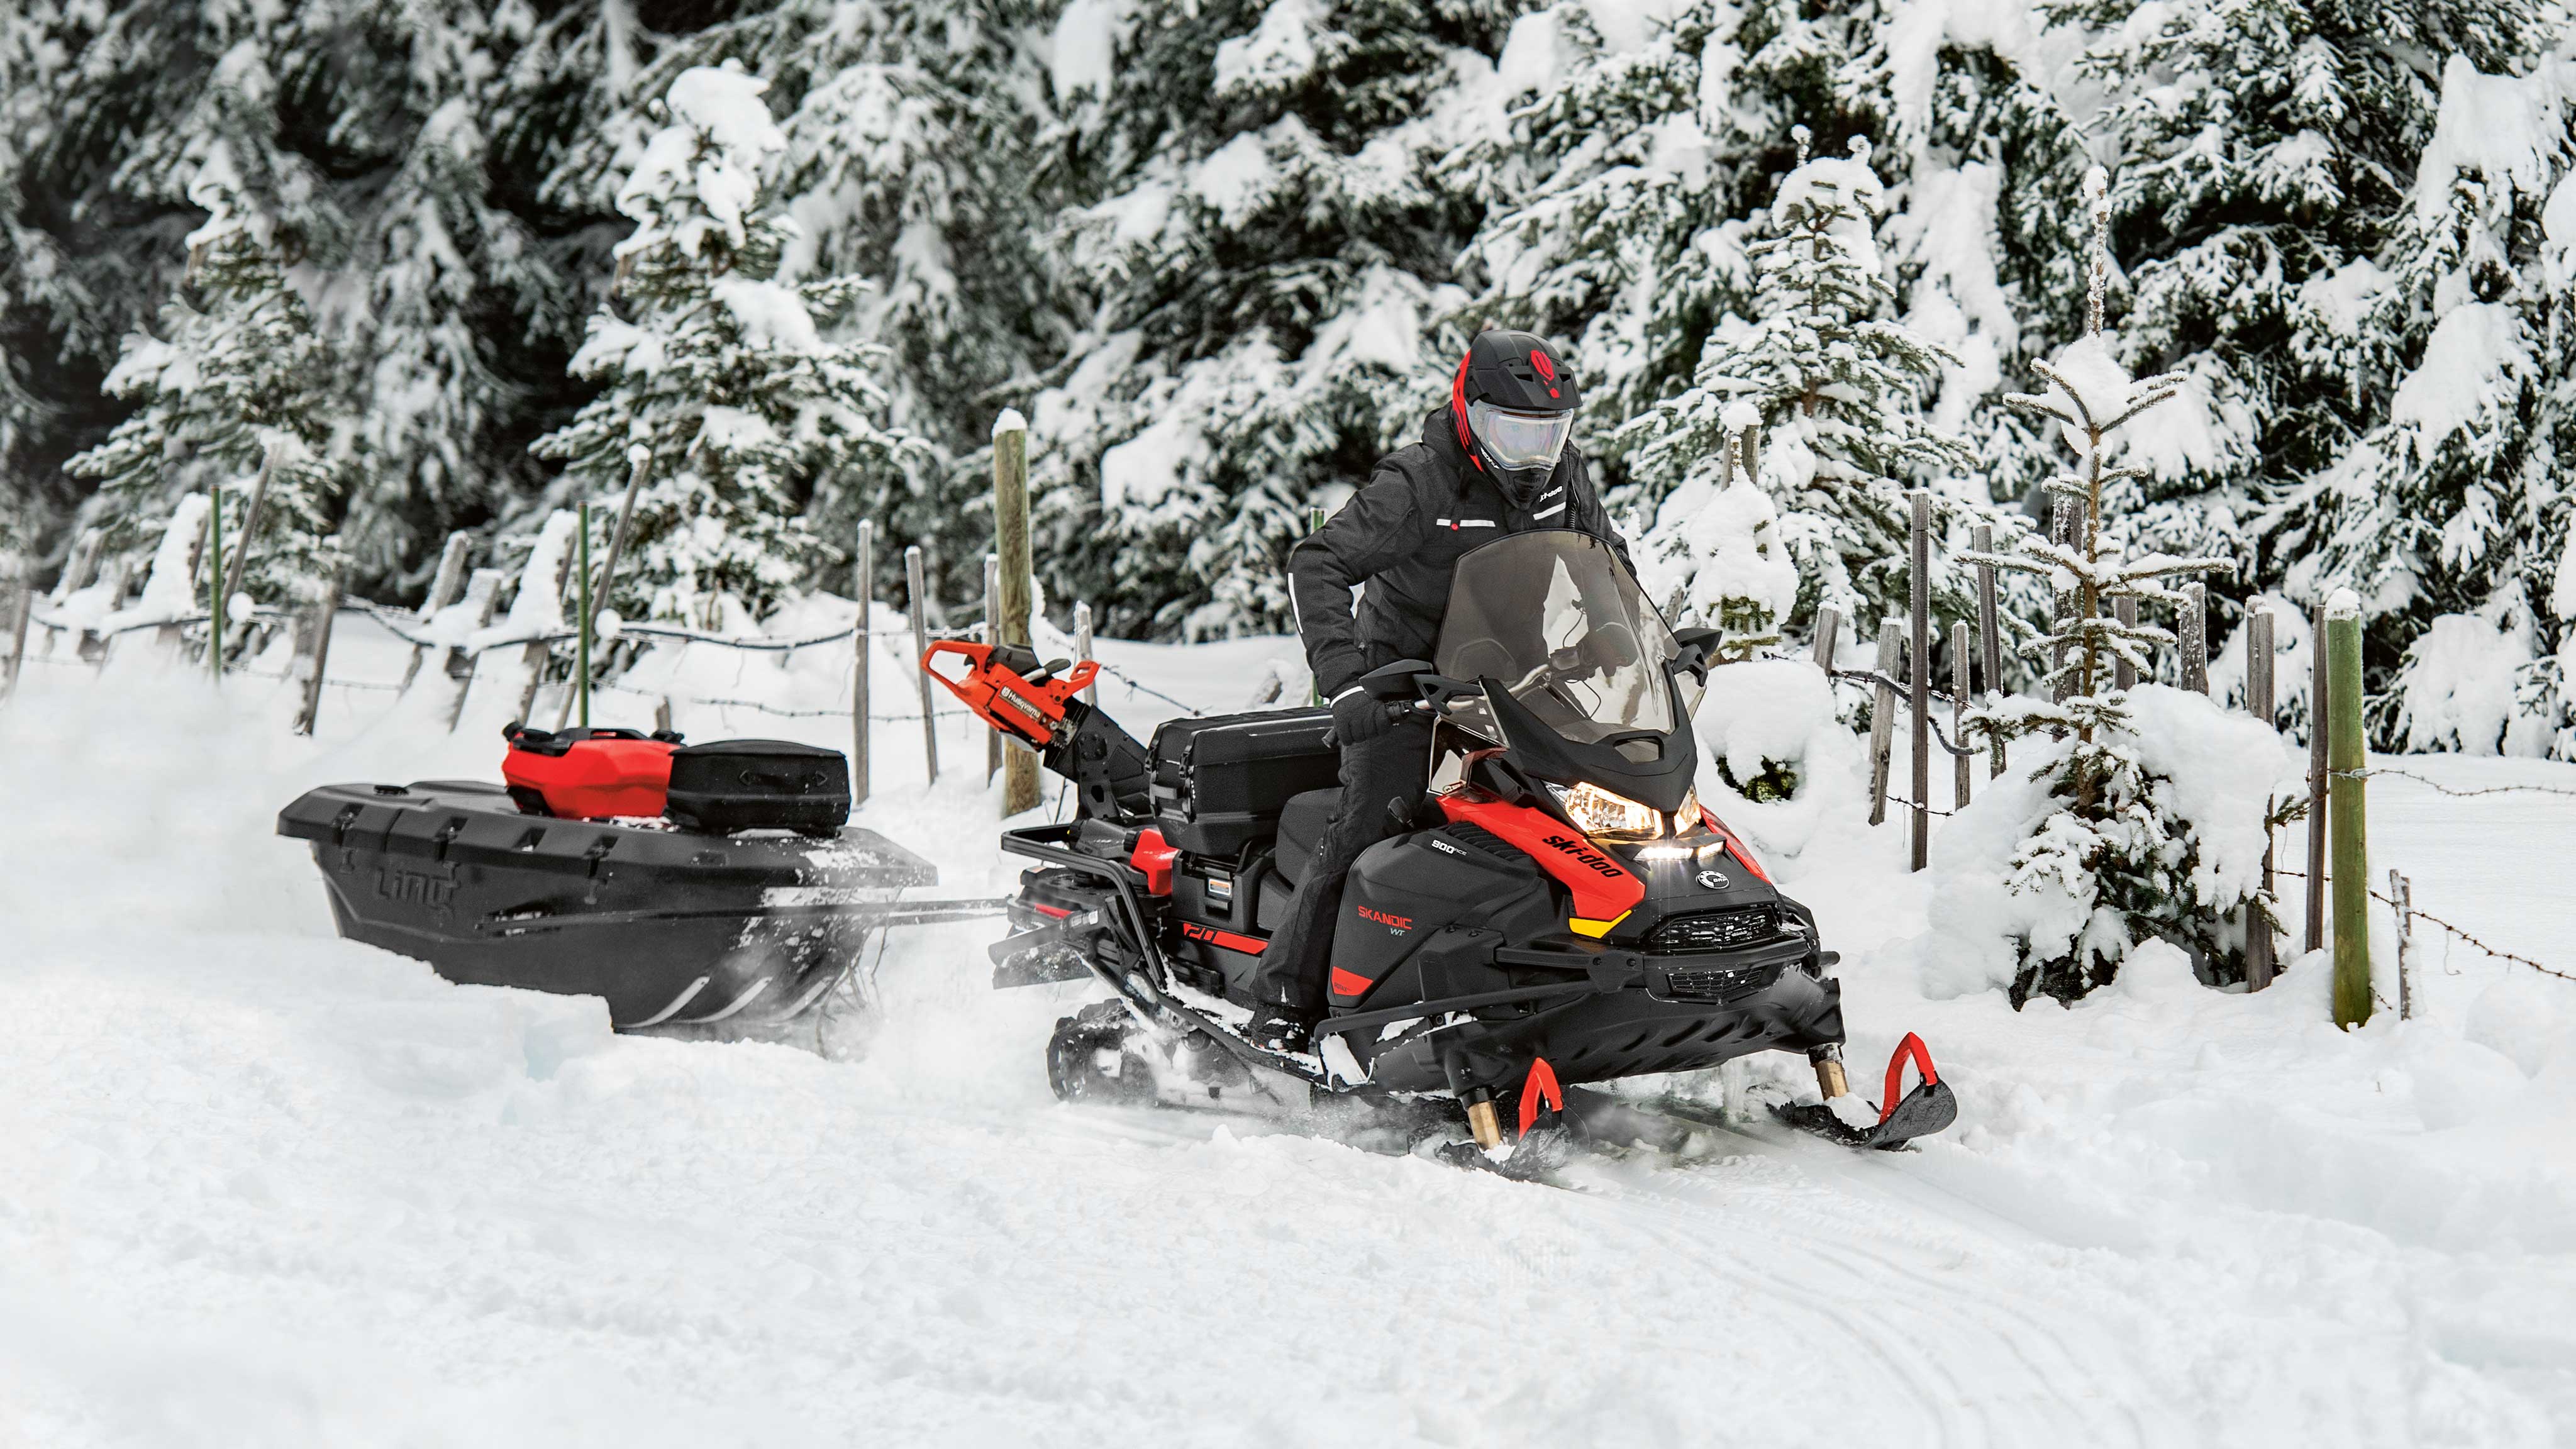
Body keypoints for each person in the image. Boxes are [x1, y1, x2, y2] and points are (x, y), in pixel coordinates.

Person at [1247, 330, 1634, 1052]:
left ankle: (1573, 980)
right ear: (1469, 413)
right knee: (1369, 828)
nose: (1530, 455)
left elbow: (1607, 564)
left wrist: (1623, 640)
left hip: (1515, 690)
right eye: (1511, 433)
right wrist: (1347, 684)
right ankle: (1284, 1005)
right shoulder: (1421, 481)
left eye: (1546, 434)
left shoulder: (1563, 478)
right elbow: (1318, 563)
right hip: (1405, 692)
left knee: (1585, 824)